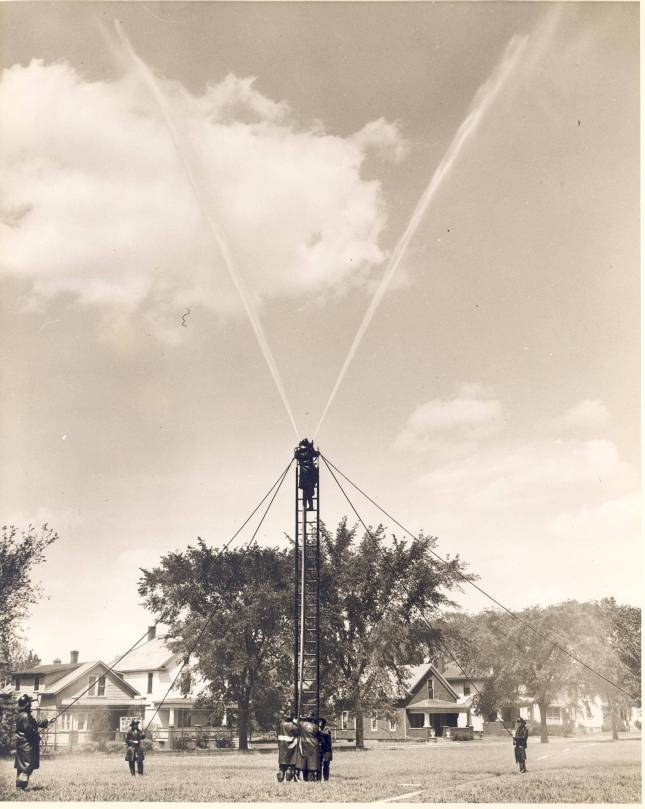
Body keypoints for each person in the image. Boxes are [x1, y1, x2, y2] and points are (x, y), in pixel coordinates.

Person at [14, 694, 50, 791]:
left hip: (22, 745)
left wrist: (46, 722)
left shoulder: (21, 715)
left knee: (22, 767)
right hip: (27, 745)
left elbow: (34, 723)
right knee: (27, 767)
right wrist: (37, 736)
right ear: (27, 704)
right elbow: (29, 730)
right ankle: (21, 787)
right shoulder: (26, 715)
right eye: (29, 703)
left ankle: (19, 786)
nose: (31, 705)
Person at [294, 439, 319, 511]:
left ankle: (305, 507)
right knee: (310, 493)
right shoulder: (310, 451)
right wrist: (311, 447)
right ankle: (310, 506)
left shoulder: (299, 453)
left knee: (305, 493)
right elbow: (316, 454)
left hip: (304, 476)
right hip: (311, 475)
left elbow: (296, 455)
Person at [296, 715, 321, 781]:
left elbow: (295, 722)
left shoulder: (301, 725)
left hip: (304, 746)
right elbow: (319, 736)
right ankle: (311, 778)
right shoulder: (315, 726)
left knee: (305, 765)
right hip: (313, 747)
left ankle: (305, 778)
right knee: (312, 766)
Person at [277, 712, 299, 782]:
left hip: (282, 746)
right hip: (290, 746)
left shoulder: (281, 725)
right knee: (289, 764)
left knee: (282, 765)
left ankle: (280, 779)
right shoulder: (293, 726)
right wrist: (296, 723)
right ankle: (288, 779)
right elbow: (298, 733)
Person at [318, 718, 332, 782]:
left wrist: (319, 730)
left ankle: (326, 779)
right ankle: (319, 778)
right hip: (320, 749)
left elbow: (326, 734)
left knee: (326, 765)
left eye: (321, 722)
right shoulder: (318, 729)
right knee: (319, 765)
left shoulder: (327, 729)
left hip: (327, 750)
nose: (320, 723)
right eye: (319, 722)